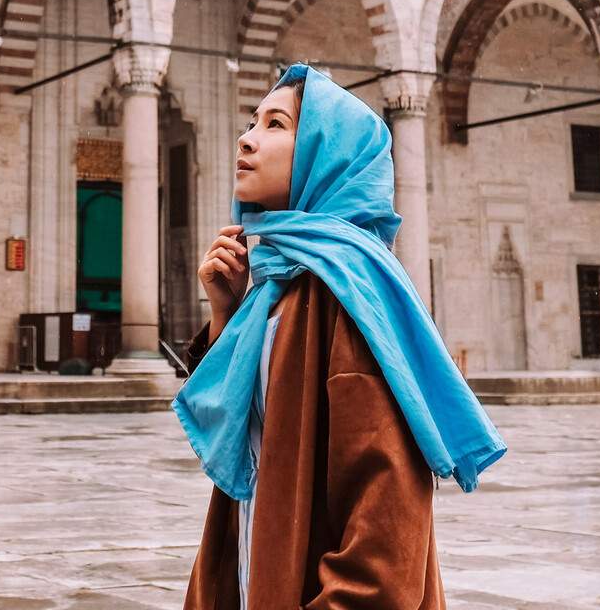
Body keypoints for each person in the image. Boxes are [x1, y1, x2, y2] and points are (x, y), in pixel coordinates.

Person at [174, 63, 505, 609]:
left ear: (326, 155)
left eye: (276, 125)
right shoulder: (281, 286)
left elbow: (385, 522)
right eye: (252, 122)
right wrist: (227, 311)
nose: (247, 138)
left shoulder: (345, 290)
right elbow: (249, 438)